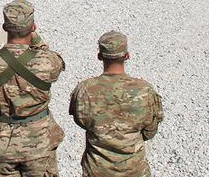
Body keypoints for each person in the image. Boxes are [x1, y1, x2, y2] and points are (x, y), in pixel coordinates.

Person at [0, 0, 65, 177]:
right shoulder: (47, 62)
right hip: (39, 145)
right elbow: (57, 61)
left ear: (4, 27)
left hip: (1, 145)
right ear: (33, 27)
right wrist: (37, 39)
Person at [70, 31, 163, 177]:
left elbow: (81, 121)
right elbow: (150, 130)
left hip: (96, 169)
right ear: (127, 56)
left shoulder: (85, 89)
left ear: (99, 57)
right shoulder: (144, 90)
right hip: (134, 169)